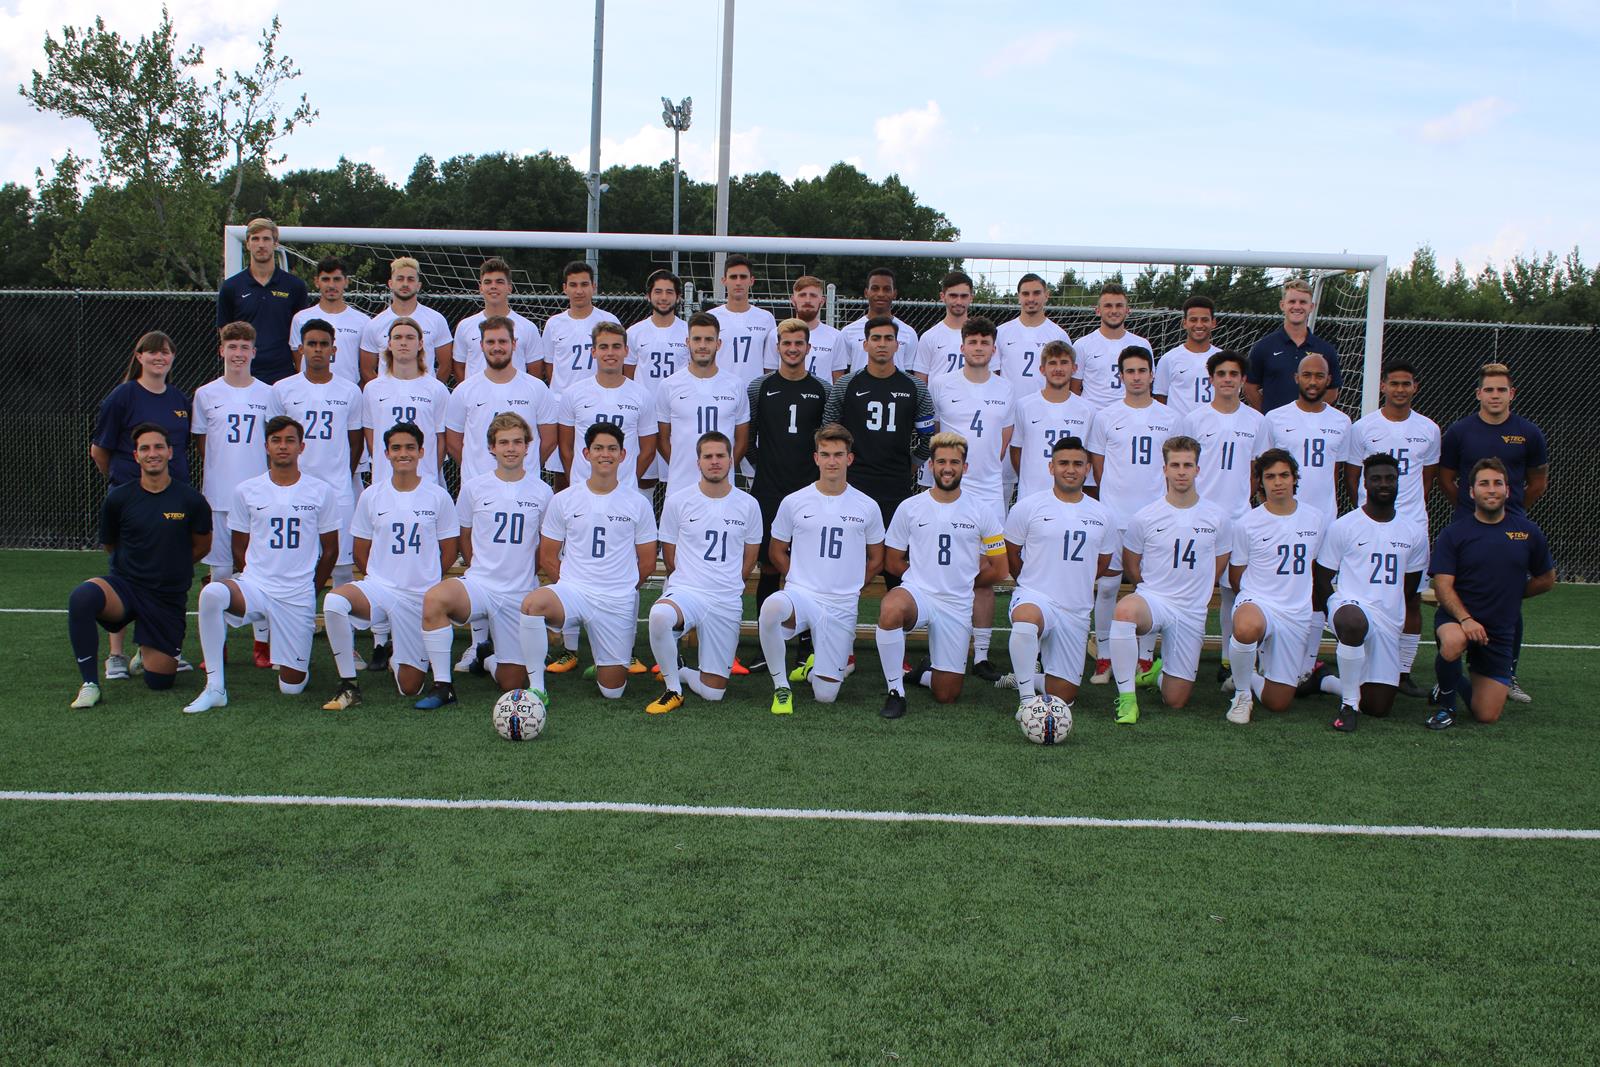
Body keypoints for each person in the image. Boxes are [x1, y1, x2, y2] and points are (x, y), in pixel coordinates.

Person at [183, 416, 341, 713]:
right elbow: (239, 544)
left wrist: (310, 589)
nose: (283, 446)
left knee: (291, 687)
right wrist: (253, 576)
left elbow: (330, 551)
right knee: (212, 594)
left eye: (289, 440)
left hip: (296, 594)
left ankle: (294, 656)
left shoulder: (320, 491)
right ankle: (215, 686)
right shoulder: (247, 490)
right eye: (276, 440)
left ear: (301, 447)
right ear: (266, 446)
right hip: (256, 586)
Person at [67, 424, 211, 708]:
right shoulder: (118, 498)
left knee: (160, 682)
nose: (152, 453)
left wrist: (169, 566)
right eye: (145, 448)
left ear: (170, 452)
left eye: (158, 447)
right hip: (127, 587)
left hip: (165, 596)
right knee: (82, 596)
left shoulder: (191, 500)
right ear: (135, 456)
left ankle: (145, 652)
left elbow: (202, 546)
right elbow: (111, 545)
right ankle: (89, 684)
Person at [416, 413, 554, 708]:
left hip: (519, 593)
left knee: (511, 683)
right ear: (492, 447)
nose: (511, 448)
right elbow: (464, 534)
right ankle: (443, 686)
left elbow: (545, 545)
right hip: (481, 585)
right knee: (435, 599)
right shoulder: (474, 488)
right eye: (503, 442)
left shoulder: (543, 492)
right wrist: (476, 568)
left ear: (528, 446)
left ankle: (487, 658)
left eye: (518, 441)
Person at [321, 423, 461, 709]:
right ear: (385, 453)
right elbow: (360, 549)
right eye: (396, 448)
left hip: (419, 597)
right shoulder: (372, 495)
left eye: (410, 447)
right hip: (380, 588)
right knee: (334, 602)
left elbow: (450, 550)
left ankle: (398, 656)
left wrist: (428, 579)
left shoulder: (437, 496)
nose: (403, 453)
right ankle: (349, 685)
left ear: (422, 452)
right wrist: (378, 578)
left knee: (409, 688)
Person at [516, 422, 659, 701]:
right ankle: (537, 687)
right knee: (533, 605)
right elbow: (547, 555)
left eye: (612, 449)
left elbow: (647, 562)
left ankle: (605, 661)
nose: (605, 454)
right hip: (574, 591)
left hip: (615, 600)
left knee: (613, 691)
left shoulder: (637, 502)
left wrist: (621, 588)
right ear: (586, 453)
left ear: (622, 455)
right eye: (598, 448)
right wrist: (572, 584)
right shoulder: (565, 499)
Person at [1438, 362, 1550, 704]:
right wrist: (1471, 505)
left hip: (1510, 524)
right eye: (1489, 389)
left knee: (1508, 599)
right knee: (1458, 591)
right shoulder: (1460, 431)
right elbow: (1446, 477)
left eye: (1502, 389)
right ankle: (1451, 665)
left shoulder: (1529, 433)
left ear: (1511, 394)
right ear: (1479, 394)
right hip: (1469, 523)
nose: (1495, 395)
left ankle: (1507, 672)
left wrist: (1513, 508)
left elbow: (1538, 482)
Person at [876, 432, 1009, 718]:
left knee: (946, 694)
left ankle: (925, 673)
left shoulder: (982, 511)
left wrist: (964, 582)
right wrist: (922, 577)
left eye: (954, 462)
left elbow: (1000, 568)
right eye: (941, 462)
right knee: (890, 609)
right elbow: (892, 560)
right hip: (919, 594)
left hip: (956, 603)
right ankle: (895, 692)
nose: (948, 467)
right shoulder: (910, 507)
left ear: (965, 467)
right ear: (931, 466)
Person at [758, 424, 886, 714]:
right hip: (801, 595)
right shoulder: (793, 501)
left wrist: (853, 585)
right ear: (815, 458)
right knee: (770, 608)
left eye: (838, 455)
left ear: (849, 459)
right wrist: (799, 577)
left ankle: (813, 669)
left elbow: (877, 558)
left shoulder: (867, 506)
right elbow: (776, 550)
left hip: (841, 604)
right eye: (825, 454)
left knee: (826, 696)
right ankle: (781, 688)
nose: (832, 461)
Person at [90, 331, 195, 679]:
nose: (158, 358)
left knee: (164, 571)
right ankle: (116, 654)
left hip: (170, 500)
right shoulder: (123, 396)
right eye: (151, 353)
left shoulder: (179, 398)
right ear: (138, 357)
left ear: (172, 358)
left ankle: (152, 647)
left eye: (165, 353)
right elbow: (99, 450)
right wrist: (124, 484)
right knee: (123, 571)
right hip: (133, 502)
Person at [1108, 436, 1233, 723]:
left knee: (1176, 700)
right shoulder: (1145, 516)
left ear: (1198, 470)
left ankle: (1156, 675)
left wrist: (1197, 588)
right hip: (1156, 599)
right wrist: (1151, 589)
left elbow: (1220, 560)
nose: (1181, 471)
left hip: (1190, 610)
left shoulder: (1217, 517)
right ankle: (1127, 698)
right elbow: (1131, 562)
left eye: (1187, 465)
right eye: (1175, 465)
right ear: (1164, 469)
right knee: (1125, 611)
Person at [1427, 458, 1556, 729]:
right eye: (1484, 484)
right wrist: (1465, 619)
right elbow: (1442, 586)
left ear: (1508, 490)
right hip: (1458, 621)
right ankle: (1446, 708)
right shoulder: (1454, 534)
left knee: (1486, 715)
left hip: (1498, 629)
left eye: (1498, 483)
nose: (1492, 489)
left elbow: (1546, 579)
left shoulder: (1527, 532)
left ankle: (1448, 683)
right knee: (1451, 642)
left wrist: (1510, 594)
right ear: (1472, 492)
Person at [646, 431, 763, 714]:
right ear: (697, 462)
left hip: (725, 599)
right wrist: (690, 579)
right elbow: (670, 554)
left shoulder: (748, 504)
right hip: (688, 591)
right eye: (707, 456)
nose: (714, 462)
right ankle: (673, 689)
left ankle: (682, 671)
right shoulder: (678, 501)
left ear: (730, 459)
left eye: (720, 455)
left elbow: (751, 555)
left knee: (713, 693)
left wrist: (732, 582)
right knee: (660, 615)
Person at [1313, 453, 1427, 732]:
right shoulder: (1344, 525)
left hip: (1388, 619)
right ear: (1365, 483)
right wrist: (1334, 615)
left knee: (1378, 708)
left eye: (1390, 478)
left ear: (1398, 481)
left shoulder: (1414, 532)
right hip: (1351, 606)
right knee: (1353, 621)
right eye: (1376, 478)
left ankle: (1325, 681)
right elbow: (1323, 576)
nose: (1383, 484)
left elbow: (1410, 587)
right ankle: (1348, 705)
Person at [1347, 359, 1440, 698]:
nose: (1400, 389)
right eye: (1394, 383)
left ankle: (1402, 670)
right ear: (1383, 386)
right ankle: (1363, 664)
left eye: (1406, 384)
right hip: (1369, 524)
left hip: (1411, 524)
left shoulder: (1429, 429)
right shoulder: (1363, 427)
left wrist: (1405, 512)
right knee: (1365, 593)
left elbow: (1425, 479)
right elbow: (1353, 477)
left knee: (1409, 597)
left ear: (1415, 387)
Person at [1004, 436, 1116, 712]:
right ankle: (1027, 701)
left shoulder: (1102, 514)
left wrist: (1076, 580)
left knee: (1064, 696)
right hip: (1036, 595)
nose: (1071, 469)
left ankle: (1022, 678)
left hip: (1075, 609)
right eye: (1063, 463)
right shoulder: (1028, 507)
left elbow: (1102, 563)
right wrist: (1030, 583)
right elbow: (1012, 555)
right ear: (1051, 467)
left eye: (1078, 464)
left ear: (1088, 468)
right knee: (1026, 620)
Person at [928, 317, 1014, 679]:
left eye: (985, 342)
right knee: (943, 566)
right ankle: (943, 647)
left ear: (994, 349)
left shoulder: (1006, 389)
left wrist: (982, 470)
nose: (978, 347)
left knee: (987, 571)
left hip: (989, 490)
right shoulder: (941, 384)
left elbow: (1004, 439)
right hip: (947, 489)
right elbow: (934, 434)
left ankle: (980, 655)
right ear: (961, 347)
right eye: (972, 341)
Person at [824, 316, 935, 590]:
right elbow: (828, 434)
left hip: (896, 486)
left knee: (895, 565)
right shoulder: (847, 384)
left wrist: (912, 464)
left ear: (898, 345)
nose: (882, 344)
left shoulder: (915, 387)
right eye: (876, 338)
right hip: (854, 486)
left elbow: (927, 436)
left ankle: (896, 625)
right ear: (865, 344)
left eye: (888, 339)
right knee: (847, 559)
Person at [1085, 346, 1175, 683]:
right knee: (1107, 588)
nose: (1136, 377)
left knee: (1150, 588)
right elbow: (1099, 467)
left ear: (1152, 375)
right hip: (1115, 517)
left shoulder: (1170, 418)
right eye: (1130, 371)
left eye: (1142, 370)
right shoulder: (1106, 416)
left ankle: (1146, 659)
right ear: (1120, 376)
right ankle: (1105, 657)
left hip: (1154, 520)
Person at [1178, 350, 1267, 687]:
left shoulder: (1257, 421)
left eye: (1234, 374)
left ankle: (1231, 660)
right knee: (1193, 587)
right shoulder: (1195, 419)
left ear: (1243, 380)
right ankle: (1184, 654)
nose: (1228, 379)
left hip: (1240, 516)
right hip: (1201, 515)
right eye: (1222, 374)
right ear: (1211, 379)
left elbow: (1258, 468)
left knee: (1235, 589)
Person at [192, 322, 277, 664]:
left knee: (260, 572)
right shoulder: (206, 394)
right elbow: (202, 443)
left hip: (258, 500)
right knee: (221, 574)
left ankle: (263, 645)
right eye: (232, 347)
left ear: (253, 352)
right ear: (221, 351)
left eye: (244, 347)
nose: (238, 353)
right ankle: (218, 646)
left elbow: (273, 444)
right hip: (218, 499)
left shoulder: (268, 393)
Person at [1224, 449, 1326, 723]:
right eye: (1270, 476)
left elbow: (1317, 568)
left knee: (1277, 702)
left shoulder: (1315, 518)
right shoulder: (1248, 523)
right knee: (1246, 627)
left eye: (1284, 475)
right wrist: (1250, 601)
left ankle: (1246, 676)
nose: (1278, 482)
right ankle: (1243, 695)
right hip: (1260, 602)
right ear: (1261, 482)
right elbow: (1236, 576)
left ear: (1295, 479)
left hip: (1295, 613)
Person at [747, 318, 832, 633]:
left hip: (810, 490)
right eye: (787, 343)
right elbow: (749, 438)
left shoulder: (822, 388)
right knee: (770, 565)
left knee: (809, 568)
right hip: (769, 488)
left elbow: (827, 439)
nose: (793, 349)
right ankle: (766, 640)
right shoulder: (760, 386)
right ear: (777, 347)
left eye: (799, 343)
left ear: (808, 348)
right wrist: (767, 465)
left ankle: (807, 645)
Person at [270, 318, 366, 589]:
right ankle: (302, 615)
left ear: (334, 350)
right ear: (301, 348)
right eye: (311, 344)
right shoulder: (283, 389)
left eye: (324, 344)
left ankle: (341, 623)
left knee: (342, 567)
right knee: (298, 559)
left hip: (337, 489)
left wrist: (342, 475)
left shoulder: (349, 391)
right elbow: (275, 440)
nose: (318, 349)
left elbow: (355, 441)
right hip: (297, 488)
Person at [446, 316, 559, 487]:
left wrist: (526, 466)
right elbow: (453, 441)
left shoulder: (537, 388)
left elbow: (550, 440)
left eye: (503, 341)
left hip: (524, 486)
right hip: (478, 487)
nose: (497, 347)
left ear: (514, 344)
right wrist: (475, 469)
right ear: (481, 345)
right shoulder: (464, 390)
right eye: (490, 342)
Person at [656, 312, 750, 500]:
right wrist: (681, 465)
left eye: (709, 339)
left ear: (718, 344)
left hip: (722, 488)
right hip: (680, 487)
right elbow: (662, 439)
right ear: (687, 342)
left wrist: (722, 468)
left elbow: (741, 440)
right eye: (697, 339)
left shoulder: (735, 385)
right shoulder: (669, 385)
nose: (702, 345)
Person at [215, 217, 308, 384]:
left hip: (283, 373)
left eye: (266, 239)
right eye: (255, 239)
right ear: (247, 244)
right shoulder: (231, 287)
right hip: (245, 372)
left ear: (275, 243)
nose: (261, 244)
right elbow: (225, 332)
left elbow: (301, 333)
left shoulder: (295, 286)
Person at [363, 317, 451, 492]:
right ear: (389, 344)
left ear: (420, 344)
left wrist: (429, 472)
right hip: (384, 481)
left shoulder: (436, 389)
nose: (403, 342)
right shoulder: (372, 389)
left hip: (425, 482)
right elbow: (371, 437)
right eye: (398, 337)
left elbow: (441, 440)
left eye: (410, 338)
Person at [1261, 353, 1352, 522]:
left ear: (1328, 379)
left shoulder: (1342, 421)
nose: (1312, 382)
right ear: (1296, 378)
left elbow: (1335, 470)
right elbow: (1263, 469)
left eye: (1319, 376)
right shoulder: (1274, 418)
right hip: (1282, 515)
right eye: (1306, 375)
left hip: (1325, 517)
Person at [628, 269, 689, 494]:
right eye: (658, 292)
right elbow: (628, 375)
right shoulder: (635, 332)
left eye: (669, 292)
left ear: (678, 297)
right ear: (648, 295)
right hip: (646, 417)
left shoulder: (688, 332)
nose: (664, 297)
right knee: (645, 479)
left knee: (680, 479)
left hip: (678, 416)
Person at [1010, 341, 1094, 502]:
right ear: (1042, 369)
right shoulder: (1024, 405)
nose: (1058, 369)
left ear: (1074, 368)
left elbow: (1089, 454)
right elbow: (1016, 451)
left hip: (1070, 496)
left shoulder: (1088, 410)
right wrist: (1029, 480)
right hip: (1031, 496)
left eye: (1064, 363)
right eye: (1052, 363)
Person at [1245, 278, 1341, 412]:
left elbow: (1332, 392)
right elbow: (1250, 388)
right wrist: (1273, 417)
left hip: (1310, 429)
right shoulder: (1263, 347)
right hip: (1274, 429)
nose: (1297, 306)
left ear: (1311, 307)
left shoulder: (1325, 349)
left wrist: (1308, 414)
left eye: (1303, 302)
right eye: (1292, 301)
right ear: (1282, 305)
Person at [357, 257, 453, 386]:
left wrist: (432, 390)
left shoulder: (436, 319)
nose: (405, 284)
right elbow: (367, 369)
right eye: (400, 279)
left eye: (411, 279)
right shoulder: (375, 324)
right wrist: (382, 391)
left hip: (424, 398)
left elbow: (446, 365)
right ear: (391, 284)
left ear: (418, 285)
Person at [541, 260, 625, 397]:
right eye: (573, 285)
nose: (579, 291)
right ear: (565, 288)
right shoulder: (553, 323)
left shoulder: (609, 320)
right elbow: (549, 365)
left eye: (584, 284)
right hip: (561, 400)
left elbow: (619, 360)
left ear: (594, 286)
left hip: (598, 398)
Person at [452, 257, 542, 381]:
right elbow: (459, 366)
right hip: (478, 399)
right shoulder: (464, 326)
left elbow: (535, 369)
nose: (493, 286)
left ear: (509, 288)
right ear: (481, 288)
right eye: (488, 282)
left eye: (499, 282)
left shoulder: (528, 327)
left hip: (514, 398)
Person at [1072, 282, 1152, 413]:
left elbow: (1147, 387)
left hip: (1129, 416)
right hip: (1093, 417)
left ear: (1127, 310)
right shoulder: (1082, 345)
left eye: (1119, 306)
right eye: (1108, 306)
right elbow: (1074, 389)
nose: (1114, 311)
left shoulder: (1142, 345)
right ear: (1098, 310)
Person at [290, 256, 369, 385]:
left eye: (337, 279)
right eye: (326, 279)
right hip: (308, 393)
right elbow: (299, 361)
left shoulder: (363, 321)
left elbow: (365, 366)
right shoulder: (301, 318)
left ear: (346, 282)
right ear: (316, 282)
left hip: (347, 394)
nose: (331, 285)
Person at [995, 273, 1071, 403]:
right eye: (1025, 294)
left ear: (1046, 295)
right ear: (1018, 297)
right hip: (1008, 407)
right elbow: (994, 374)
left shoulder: (1058, 335)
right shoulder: (1001, 332)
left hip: (1044, 409)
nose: (1031, 299)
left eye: (1036, 293)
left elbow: (1066, 377)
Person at [708, 254, 777, 392]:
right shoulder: (711, 317)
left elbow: (771, 364)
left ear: (751, 280)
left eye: (743, 277)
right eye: (733, 277)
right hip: (718, 392)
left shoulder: (766, 318)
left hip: (754, 393)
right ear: (724, 281)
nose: (738, 282)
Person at [837, 268, 919, 373]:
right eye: (875, 288)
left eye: (886, 289)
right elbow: (843, 372)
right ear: (866, 292)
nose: (880, 294)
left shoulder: (909, 333)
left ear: (894, 293)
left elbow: (910, 374)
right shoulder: (848, 332)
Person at [765, 275, 843, 381]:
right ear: (793, 300)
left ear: (822, 301)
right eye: (802, 295)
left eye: (813, 295)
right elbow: (769, 376)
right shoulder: (775, 334)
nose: (807, 300)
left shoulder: (836, 336)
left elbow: (837, 380)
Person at [1153, 296, 1222, 417]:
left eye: (1205, 320)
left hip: (1214, 429)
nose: (1199, 325)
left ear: (1213, 323)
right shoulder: (1169, 359)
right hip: (1180, 432)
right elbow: (1160, 398)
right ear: (1184, 323)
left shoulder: (1223, 359)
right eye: (1193, 320)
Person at [912, 270, 975, 381]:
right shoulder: (929, 337)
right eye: (953, 296)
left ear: (971, 297)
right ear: (942, 296)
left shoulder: (981, 336)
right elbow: (921, 382)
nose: (959, 301)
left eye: (964, 296)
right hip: (939, 399)